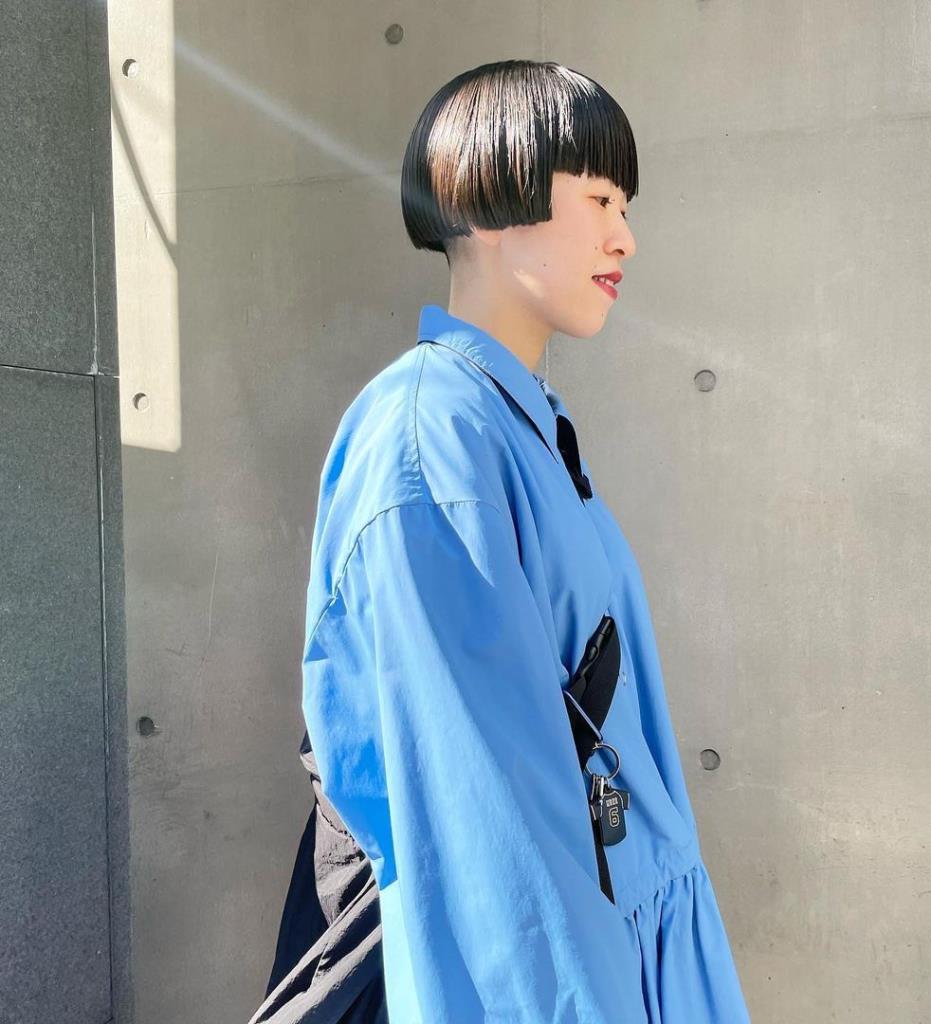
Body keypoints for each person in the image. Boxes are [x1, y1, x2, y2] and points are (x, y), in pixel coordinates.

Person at [287, 59, 751, 1023]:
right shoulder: (432, 443)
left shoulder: (516, 426)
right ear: (490, 197)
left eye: (625, 205)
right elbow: (492, 851)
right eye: (599, 199)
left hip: (624, 940)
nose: (624, 236)